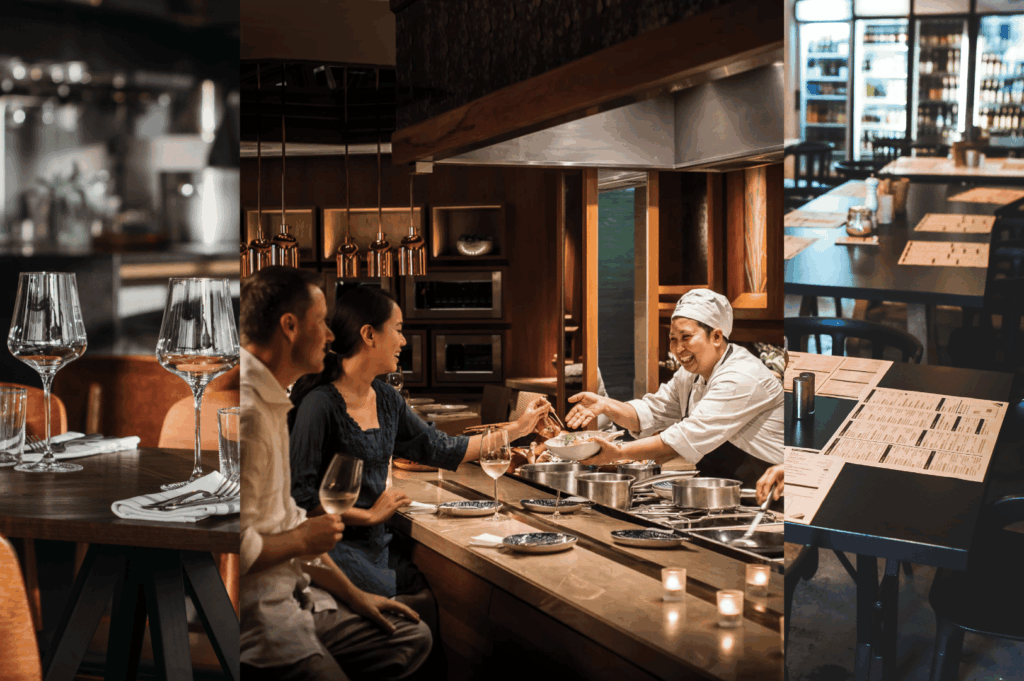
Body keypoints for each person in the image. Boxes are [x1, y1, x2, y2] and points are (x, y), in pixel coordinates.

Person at [287, 283, 552, 600]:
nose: (402, 340)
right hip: (332, 549)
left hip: (376, 546)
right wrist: (370, 515)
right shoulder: (320, 404)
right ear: (369, 335)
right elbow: (299, 499)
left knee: (428, 599)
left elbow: (441, 448)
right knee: (418, 609)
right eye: (397, 330)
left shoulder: (386, 399)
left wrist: (518, 429)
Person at [239, 266, 431, 681]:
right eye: (321, 322)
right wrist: (307, 536)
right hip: (263, 624)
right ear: (290, 327)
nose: (330, 335)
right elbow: (238, 545)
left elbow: (290, 525)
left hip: (299, 594)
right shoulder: (251, 413)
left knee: (412, 635)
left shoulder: (274, 401)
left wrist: (357, 598)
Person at [565, 289, 784, 488]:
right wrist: (606, 406)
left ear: (716, 337)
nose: (678, 349)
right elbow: (651, 412)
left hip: (765, 491)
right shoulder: (690, 373)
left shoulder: (741, 377)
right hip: (723, 487)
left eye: (686, 337)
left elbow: (685, 437)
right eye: (673, 339)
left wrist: (618, 453)